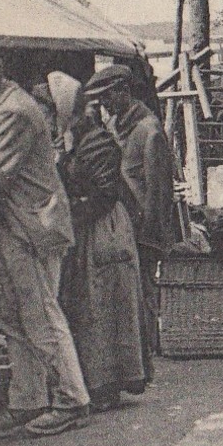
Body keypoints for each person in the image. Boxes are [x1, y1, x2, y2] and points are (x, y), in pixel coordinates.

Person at [0, 43, 89, 438]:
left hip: (33, 229)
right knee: (17, 317)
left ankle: (72, 399)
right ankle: (26, 400)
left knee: (41, 315)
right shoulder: (1, 106)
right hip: (20, 227)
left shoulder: (12, 110)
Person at [48, 73, 148, 414]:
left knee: (106, 303)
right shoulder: (78, 140)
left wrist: (70, 215)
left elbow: (104, 194)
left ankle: (109, 384)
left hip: (104, 228)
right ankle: (97, 381)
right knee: (94, 304)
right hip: (89, 223)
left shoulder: (99, 143)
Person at [86, 63, 179, 366]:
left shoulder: (149, 131)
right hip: (121, 226)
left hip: (141, 228)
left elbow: (160, 192)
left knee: (144, 292)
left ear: (124, 92)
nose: (105, 106)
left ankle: (149, 350)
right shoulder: (117, 127)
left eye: (109, 98)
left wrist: (153, 236)